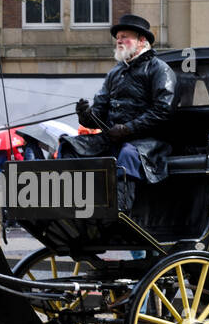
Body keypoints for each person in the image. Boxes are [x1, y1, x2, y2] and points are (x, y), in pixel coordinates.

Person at [61, 13, 176, 209]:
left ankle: (120, 211)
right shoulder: (115, 73)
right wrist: (85, 114)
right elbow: (97, 115)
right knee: (69, 147)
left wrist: (127, 129)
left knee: (127, 155)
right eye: (118, 37)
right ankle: (72, 206)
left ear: (142, 40)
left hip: (148, 142)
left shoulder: (159, 69)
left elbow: (163, 111)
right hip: (114, 138)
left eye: (125, 36)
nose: (119, 41)